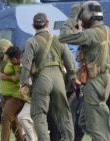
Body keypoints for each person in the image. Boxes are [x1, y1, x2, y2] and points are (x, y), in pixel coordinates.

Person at [19, 12, 80, 141]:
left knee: (39, 114)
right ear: (47, 24)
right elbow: (69, 60)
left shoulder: (31, 42)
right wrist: (73, 77)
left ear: (33, 26)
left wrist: (23, 83)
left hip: (42, 79)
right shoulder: (59, 39)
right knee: (64, 113)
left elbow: (26, 64)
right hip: (58, 78)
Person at [59, 1, 110, 140]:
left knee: (95, 124)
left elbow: (63, 36)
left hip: (94, 81)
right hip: (102, 80)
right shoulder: (105, 30)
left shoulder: (91, 34)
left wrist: (72, 16)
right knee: (86, 120)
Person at [0, 45, 30, 141]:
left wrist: (7, 77)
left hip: (15, 95)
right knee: (14, 121)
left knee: (6, 117)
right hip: (5, 96)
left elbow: (20, 78)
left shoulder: (16, 62)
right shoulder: (3, 62)